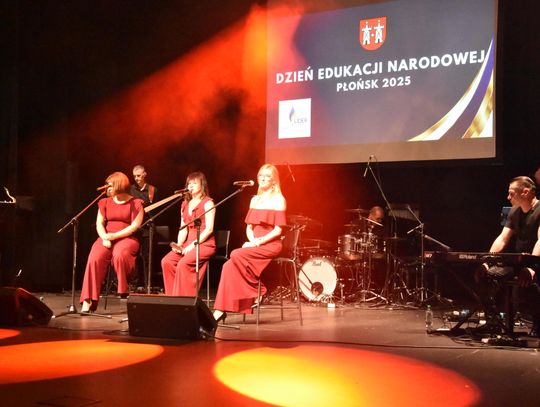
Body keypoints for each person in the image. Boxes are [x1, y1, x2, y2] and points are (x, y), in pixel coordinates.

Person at [213, 164, 287, 322]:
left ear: (274, 180)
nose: (263, 179)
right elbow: (249, 227)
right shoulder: (254, 200)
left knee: (235, 254)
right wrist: (252, 240)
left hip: (270, 244)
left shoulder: (279, 200)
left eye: (267, 176)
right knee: (227, 266)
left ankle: (258, 289)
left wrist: (258, 242)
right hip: (255, 242)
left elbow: (278, 230)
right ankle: (220, 310)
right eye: (261, 175)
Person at [475, 176, 540, 336]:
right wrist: (487, 262)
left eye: (512, 193)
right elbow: (502, 238)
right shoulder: (513, 211)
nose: (508, 197)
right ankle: (493, 322)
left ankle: (538, 324)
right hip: (519, 261)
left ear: (526, 192)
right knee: (486, 276)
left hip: (536, 261)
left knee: (531, 284)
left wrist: (532, 267)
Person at [80, 172, 144, 312]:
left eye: (110, 185)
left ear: (119, 185)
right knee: (94, 258)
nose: (107, 188)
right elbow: (99, 224)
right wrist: (104, 237)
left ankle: (124, 288)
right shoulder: (105, 202)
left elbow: (134, 226)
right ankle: (88, 299)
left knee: (120, 254)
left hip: (126, 237)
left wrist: (113, 236)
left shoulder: (136, 203)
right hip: (106, 237)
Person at [161, 172, 216, 296]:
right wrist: (179, 245)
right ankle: (172, 297)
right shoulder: (185, 204)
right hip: (187, 243)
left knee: (183, 264)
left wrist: (193, 245)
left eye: (194, 183)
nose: (191, 186)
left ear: (202, 185)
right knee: (167, 261)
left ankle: (184, 298)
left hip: (204, 243)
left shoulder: (208, 203)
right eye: (189, 183)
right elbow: (183, 228)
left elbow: (209, 229)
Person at [129, 164, 157, 289]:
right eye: (135, 176)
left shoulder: (152, 190)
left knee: (147, 256)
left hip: (147, 227)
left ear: (145, 174)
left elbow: (155, 209)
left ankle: (147, 284)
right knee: (134, 255)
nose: (136, 178)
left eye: (139, 176)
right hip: (133, 226)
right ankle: (134, 283)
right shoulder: (130, 190)